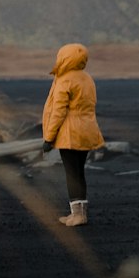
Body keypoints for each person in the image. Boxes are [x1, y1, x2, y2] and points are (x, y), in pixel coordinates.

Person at [41, 42, 104, 227]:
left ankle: (78, 216)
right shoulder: (87, 78)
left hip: (70, 133)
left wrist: (49, 138)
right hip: (87, 129)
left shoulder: (64, 80)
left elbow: (58, 111)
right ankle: (78, 213)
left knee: (72, 174)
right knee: (79, 172)